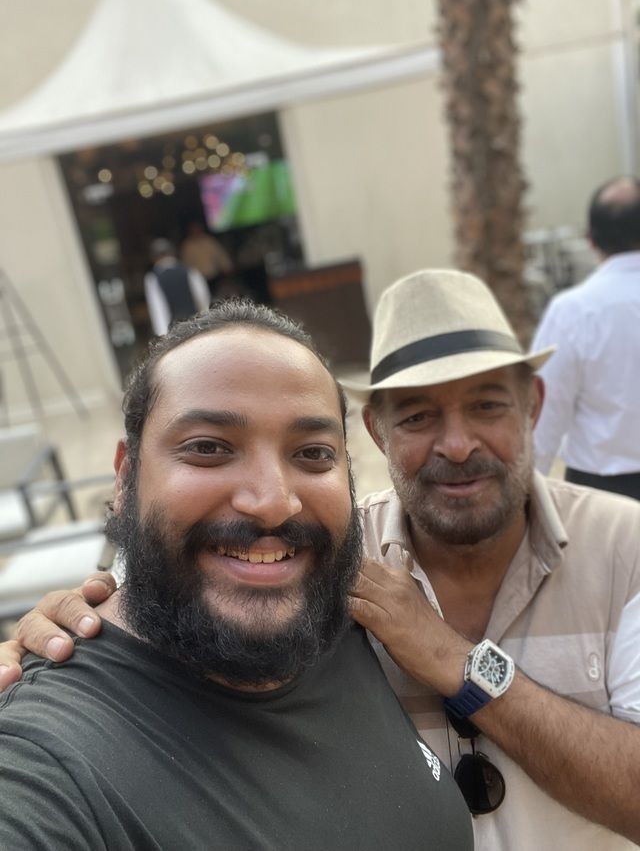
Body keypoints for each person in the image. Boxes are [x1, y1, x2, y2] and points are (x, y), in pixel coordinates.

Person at [7, 270, 640, 850]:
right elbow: (150, 596)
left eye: (487, 405)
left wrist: (454, 660)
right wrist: (59, 635)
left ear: (532, 405)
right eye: (418, 415)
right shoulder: (320, 562)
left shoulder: (625, 546)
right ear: (377, 432)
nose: (456, 443)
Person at [0, 300, 472, 850]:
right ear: (126, 477)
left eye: (312, 453)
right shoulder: (49, 758)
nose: (272, 502)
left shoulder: (358, 615)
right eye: (208, 448)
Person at [531, 175, 640, 499]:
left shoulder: (572, 311)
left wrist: (527, 500)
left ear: (589, 238)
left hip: (600, 495)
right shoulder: (572, 310)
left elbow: (542, 412)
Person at [144, 237, 211, 335]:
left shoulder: (153, 278)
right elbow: (202, 298)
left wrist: (163, 335)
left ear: (153, 258)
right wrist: (205, 322)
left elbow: (157, 310)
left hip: (174, 333)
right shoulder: (189, 270)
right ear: (173, 253)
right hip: (196, 326)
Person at [180, 220, 234, 293]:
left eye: (198, 228)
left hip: (214, 276)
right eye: (194, 229)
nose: (196, 231)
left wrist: (227, 266)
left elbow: (219, 254)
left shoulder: (209, 241)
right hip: (199, 279)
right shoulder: (187, 246)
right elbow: (186, 264)